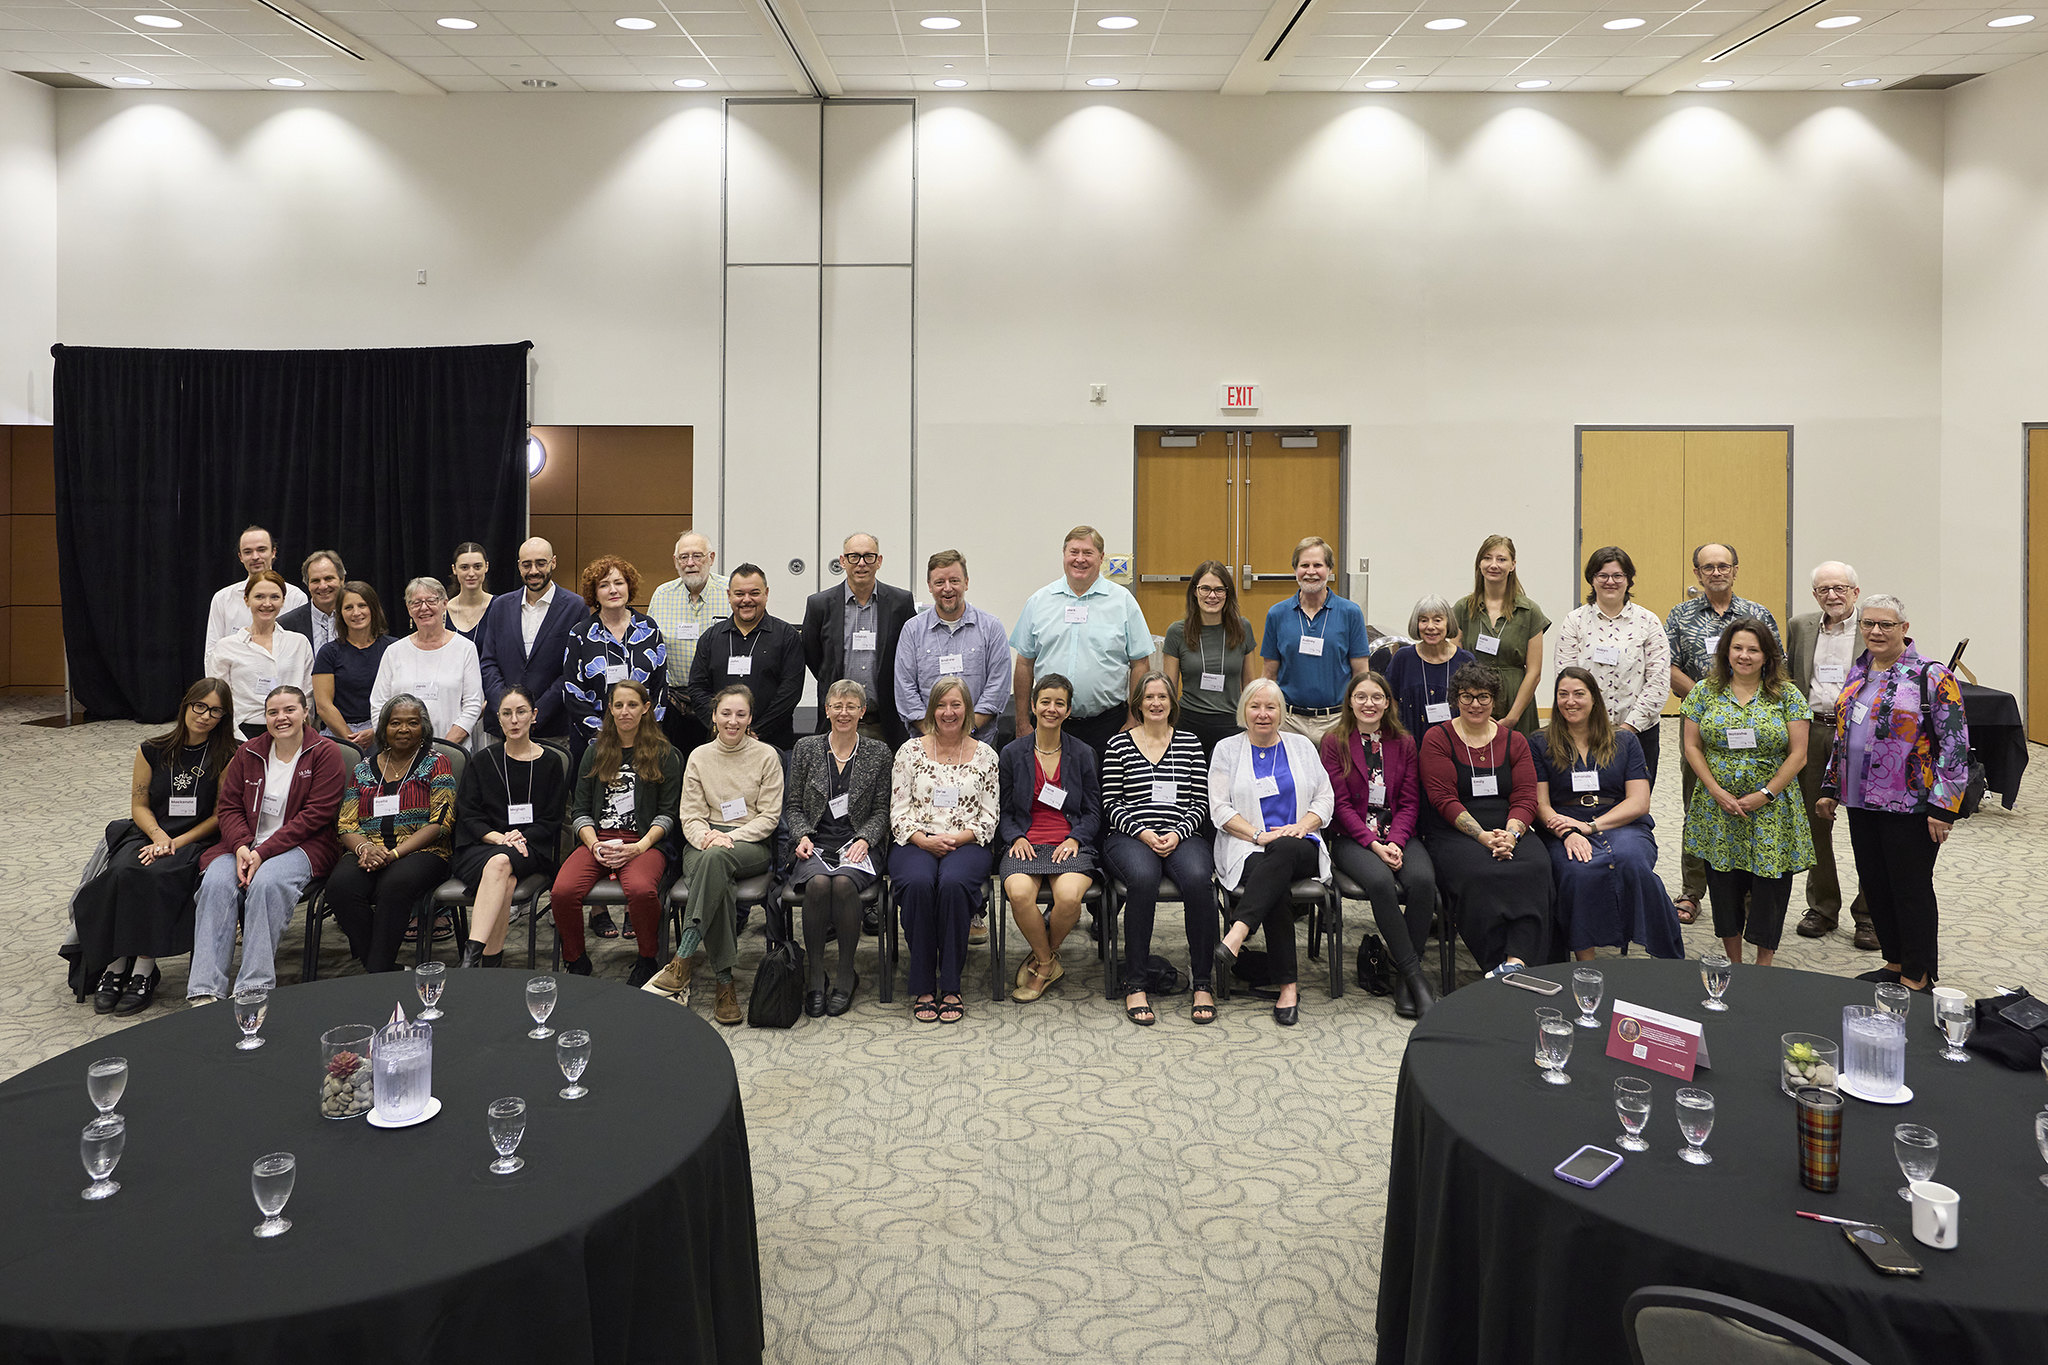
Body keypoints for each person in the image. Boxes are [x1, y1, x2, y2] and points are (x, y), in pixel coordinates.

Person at [1817, 595, 1970, 991]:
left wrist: (1944, 806)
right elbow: (1843, 735)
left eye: (1885, 624)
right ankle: (1894, 961)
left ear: (1904, 628)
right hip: (1861, 800)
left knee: (1910, 888)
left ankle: (1917, 976)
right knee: (1876, 883)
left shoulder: (1930, 676)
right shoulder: (1859, 672)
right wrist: (1831, 787)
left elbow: (1954, 744)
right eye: (1868, 624)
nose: (1876, 632)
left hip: (1912, 804)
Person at [69, 678, 235, 1015]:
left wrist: (175, 842)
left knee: (158, 876)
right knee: (122, 871)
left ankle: (144, 970)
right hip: (149, 832)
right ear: (186, 706)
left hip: (193, 837)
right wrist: (159, 836)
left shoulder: (228, 755)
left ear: (223, 716)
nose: (204, 716)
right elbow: (139, 805)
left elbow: (219, 815)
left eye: (215, 711)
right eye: (199, 706)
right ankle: (116, 965)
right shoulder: (151, 749)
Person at [187, 685, 346, 1003]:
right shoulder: (248, 753)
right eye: (273, 712)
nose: (281, 717)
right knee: (216, 883)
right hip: (244, 846)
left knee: (267, 883)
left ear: (305, 713)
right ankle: (204, 990)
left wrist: (263, 852)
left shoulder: (325, 753)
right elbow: (229, 808)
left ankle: (253, 987)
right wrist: (243, 847)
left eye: (289, 710)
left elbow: (316, 815)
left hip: (304, 846)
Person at [642, 685, 784, 1024]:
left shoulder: (766, 756)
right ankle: (724, 983)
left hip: (750, 844)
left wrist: (729, 837)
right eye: (726, 713)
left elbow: (768, 817)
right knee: (716, 873)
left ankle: (684, 957)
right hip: (702, 841)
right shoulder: (699, 756)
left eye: (740, 714)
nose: (732, 721)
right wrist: (706, 836)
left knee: (717, 861)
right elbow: (689, 814)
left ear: (750, 718)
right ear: (714, 716)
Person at [1679, 621, 1813, 967]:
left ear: (1768, 655)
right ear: (1726, 652)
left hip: (1772, 807)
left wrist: (1765, 794)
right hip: (1717, 807)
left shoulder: (1787, 695)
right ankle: (1734, 962)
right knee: (1724, 885)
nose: (1744, 656)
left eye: (1753, 649)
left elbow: (1799, 755)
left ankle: (1763, 964)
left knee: (1770, 887)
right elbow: (1691, 746)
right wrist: (1715, 790)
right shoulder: (1704, 692)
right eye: (1737, 648)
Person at [1664, 542, 1782, 925]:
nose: (1716, 572)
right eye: (1708, 567)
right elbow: (1668, 666)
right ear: (1697, 573)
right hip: (1702, 723)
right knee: (1697, 803)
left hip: (1754, 723)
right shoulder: (1680, 616)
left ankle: (1744, 890)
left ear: (1735, 569)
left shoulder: (1757, 614)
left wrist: (1740, 698)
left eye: (1723, 566)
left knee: (1750, 804)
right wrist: (1709, 699)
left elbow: (1776, 664)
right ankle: (1692, 891)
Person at [1530, 668, 1680, 962]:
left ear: (1595, 699)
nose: (1570, 701)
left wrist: (1589, 827)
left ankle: (1665, 959)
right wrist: (1568, 833)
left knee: (1633, 863)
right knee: (1577, 870)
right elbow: (1541, 805)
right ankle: (1587, 963)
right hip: (1563, 825)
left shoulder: (1624, 741)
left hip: (1620, 821)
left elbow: (1639, 802)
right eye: (1563, 694)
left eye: (1578, 694)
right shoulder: (1539, 742)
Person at [1209, 677, 1334, 1026]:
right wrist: (1257, 835)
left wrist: (1302, 826)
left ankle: (1237, 932)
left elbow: (1325, 798)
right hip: (1245, 847)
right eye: (1255, 706)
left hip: (1302, 846)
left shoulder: (1302, 746)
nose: (1263, 714)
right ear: (1243, 711)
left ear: (1281, 712)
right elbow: (1219, 808)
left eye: (1271, 707)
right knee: (1274, 881)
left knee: (1281, 855)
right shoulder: (1227, 749)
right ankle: (1288, 987)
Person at [1418, 664, 1554, 976]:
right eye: (1466, 697)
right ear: (1456, 699)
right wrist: (1482, 837)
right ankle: (1495, 960)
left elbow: (1525, 796)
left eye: (1483, 697)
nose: (1475, 704)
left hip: (1509, 825)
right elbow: (1443, 798)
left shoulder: (1514, 740)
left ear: (1494, 700)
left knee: (1535, 866)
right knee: (1482, 872)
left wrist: (1511, 834)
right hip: (1455, 830)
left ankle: (1517, 961)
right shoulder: (1438, 738)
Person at [1320, 671, 1439, 1019]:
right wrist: (1374, 844)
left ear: (1388, 703)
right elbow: (1339, 805)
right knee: (1380, 883)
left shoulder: (1403, 742)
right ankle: (1415, 977)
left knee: (1423, 882)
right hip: (1353, 837)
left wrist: (1397, 841)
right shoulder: (1335, 741)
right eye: (1361, 697)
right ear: (1350, 703)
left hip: (1398, 833)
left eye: (1376, 697)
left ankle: (1402, 975)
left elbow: (1410, 802)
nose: (1369, 704)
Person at [1102, 671, 1217, 1025]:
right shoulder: (1117, 744)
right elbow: (1110, 801)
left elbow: (1201, 802)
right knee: (1143, 879)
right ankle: (1135, 982)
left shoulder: (1190, 743)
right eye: (1149, 697)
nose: (1155, 703)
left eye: (1162, 697)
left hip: (1182, 834)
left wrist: (1180, 833)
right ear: (1137, 704)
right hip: (1130, 837)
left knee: (1200, 880)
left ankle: (1202, 982)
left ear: (1172, 704)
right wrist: (1142, 832)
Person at [552, 679, 682, 984]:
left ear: (646, 708)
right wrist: (595, 844)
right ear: (610, 709)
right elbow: (581, 809)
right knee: (562, 891)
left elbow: (668, 813)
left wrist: (638, 848)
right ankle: (576, 959)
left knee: (641, 891)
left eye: (633, 705)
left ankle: (647, 958)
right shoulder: (595, 752)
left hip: (644, 843)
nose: (625, 712)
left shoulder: (665, 754)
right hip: (597, 841)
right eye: (619, 705)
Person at [890, 677, 1000, 1024]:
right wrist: (923, 839)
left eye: (956, 705)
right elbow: (898, 811)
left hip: (967, 842)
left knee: (952, 885)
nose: (948, 712)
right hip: (915, 840)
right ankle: (923, 983)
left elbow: (990, 815)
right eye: (941, 705)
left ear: (967, 709)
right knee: (919, 884)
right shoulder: (909, 752)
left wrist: (960, 838)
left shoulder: (986, 755)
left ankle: (951, 984)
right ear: (931, 710)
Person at [326, 694, 457, 974]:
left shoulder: (437, 763)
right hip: (368, 851)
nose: (404, 729)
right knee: (340, 887)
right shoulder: (362, 769)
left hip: (424, 852)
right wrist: (365, 850)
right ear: (384, 727)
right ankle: (385, 970)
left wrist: (394, 854)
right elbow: (346, 824)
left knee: (394, 884)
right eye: (396, 723)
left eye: (413, 723)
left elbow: (440, 823)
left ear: (424, 728)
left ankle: (376, 972)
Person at [786, 680, 892, 1017]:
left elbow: (882, 811)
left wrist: (865, 839)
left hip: (859, 842)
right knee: (818, 884)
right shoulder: (806, 749)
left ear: (862, 712)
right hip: (815, 842)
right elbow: (793, 808)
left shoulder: (879, 753)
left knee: (843, 883)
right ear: (826, 709)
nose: (843, 712)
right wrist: (802, 835)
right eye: (836, 706)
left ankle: (846, 974)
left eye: (851, 706)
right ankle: (816, 975)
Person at [999, 674, 1104, 1005]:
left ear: (1069, 710)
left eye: (1059, 703)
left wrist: (1076, 839)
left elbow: (1093, 811)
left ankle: (1041, 960)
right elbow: (1001, 810)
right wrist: (1014, 836)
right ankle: (1046, 963)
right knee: (1018, 893)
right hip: (1025, 843)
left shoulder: (1084, 753)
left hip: (1069, 843)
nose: (1051, 709)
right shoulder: (1012, 753)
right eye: (1045, 701)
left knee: (1070, 898)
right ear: (1032, 705)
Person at [1789, 561, 1877, 950]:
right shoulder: (1800, 626)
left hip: (1862, 735)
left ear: (1855, 593)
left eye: (1840, 588)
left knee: (1867, 825)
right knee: (1814, 824)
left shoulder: (1873, 627)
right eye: (1824, 589)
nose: (1832, 596)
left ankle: (1870, 914)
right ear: (1815, 595)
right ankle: (1823, 907)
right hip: (1814, 729)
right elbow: (1790, 677)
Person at [1009, 525, 1153, 760]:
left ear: (1101, 558)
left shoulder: (1122, 602)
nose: (1080, 559)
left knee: (1100, 793)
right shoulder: (1039, 601)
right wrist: (1023, 721)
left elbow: (1140, 663)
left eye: (1088, 553)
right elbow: (1025, 663)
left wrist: (1134, 719)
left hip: (1107, 726)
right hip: (1049, 724)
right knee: (1049, 793)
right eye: (1073, 552)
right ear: (1064, 555)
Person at [453, 685, 568, 967]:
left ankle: (470, 955)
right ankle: (490, 962)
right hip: (483, 844)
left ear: (534, 716)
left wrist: (520, 838)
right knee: (505, 875)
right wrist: (499, 838)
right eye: (507, 713)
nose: (514, 720)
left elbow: (552, 818)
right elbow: (468, 814)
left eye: (521, 712)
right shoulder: (482, 760)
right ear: (499, 718)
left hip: (531, 847)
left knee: (501, 865)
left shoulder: (551, 762)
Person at [1552, 546, 1671, 787]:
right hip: (1583, 731)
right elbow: (1565, 678)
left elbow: (1658, 682)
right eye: (1602, 575)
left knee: (1635, 802)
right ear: (1592, 580)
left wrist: (1628, 729)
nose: (1610, 582)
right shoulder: (1575, 621)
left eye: (1618, 576)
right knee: (1586, 796)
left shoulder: (1648, 621)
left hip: (1639, 731)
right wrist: (1586, 723)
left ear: (1628, 580)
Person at [802, 532, 917, 748]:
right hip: (838, 722)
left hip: (885, 723)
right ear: (843, 561)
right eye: (854, 557)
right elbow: (813, 655)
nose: (861, 563)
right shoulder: (820, 605)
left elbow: (910, 654)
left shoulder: (900, 603)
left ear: (879, 561)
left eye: (868, 556)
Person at [894, 549, 1012, 747]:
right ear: (930, 586)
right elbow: (905, 689)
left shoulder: (991, 628)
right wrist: (934, 735)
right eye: (939, 582)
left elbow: (997, 688)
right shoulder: (912, 630)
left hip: (979, 745)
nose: (947, 588)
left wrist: (966, 731)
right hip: (926, 745)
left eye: (954, 581)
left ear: (966, 582)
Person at [1260, 536, 1371, 743]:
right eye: (1304, 565)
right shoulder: (1277, 614)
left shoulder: (1350, 613)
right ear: (1295, 570)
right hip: (1289, 722)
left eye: (1318, 565)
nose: (1311, 572)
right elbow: (1268, 674)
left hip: (1337, 721)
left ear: (1329, 570)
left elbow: (1361, 673)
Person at [562, 555, 668, 769]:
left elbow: (660, 687)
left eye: (619, 583)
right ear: (595, 593)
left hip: (644, 744)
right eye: (604, 585)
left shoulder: (649, 629)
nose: (613, 590)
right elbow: (572, 693)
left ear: (629, 587)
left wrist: (644, 733)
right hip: (596, 745)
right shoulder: (580, 635)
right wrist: (604, 736)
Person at [474, 537, 583, 744]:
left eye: (541, 563)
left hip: (552, 728)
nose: (533, 570)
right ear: (519, 566)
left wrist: (534, 715)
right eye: (527, 564)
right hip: (502, 730)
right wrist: (507, 711)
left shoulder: (575, 607)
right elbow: (488, 662)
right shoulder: (500, 606)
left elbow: (572, 671)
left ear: (554, 562)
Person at [688, 563, 806, 751]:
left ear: (766, 593)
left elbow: (790, 692)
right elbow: (697, 688)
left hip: (771, 743)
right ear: (729, 595)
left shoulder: (787, 636)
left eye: (754, 593)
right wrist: (723, 727)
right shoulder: (711, 638)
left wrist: (754, 731)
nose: (747, 600)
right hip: (719, 744)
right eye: (739, 594)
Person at [1449, 535, 1549, 738]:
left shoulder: (1529, 611)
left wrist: (1513, 717)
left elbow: (1534, 672)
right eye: (1487, 558)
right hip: (1472, 703)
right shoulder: (1462, 609)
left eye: (1501, 559)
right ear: (1479, 564)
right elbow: (1453, 664)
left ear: (1513, 565)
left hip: (1517, 703)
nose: (1494, 565)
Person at [370, 577, 485, 746]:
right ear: (409, 609)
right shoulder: (394, 652)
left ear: (444, 604)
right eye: (416, 603)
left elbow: (473, 705)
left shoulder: (465, 648)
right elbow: (378, 705)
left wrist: (445, 747)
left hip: (451, 750)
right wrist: (393, 743)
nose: (424, 608)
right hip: (401, 753)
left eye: (431, 600)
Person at [1163, 561, 1259, 760]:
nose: (1212, 596)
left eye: (1219, 589)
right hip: (1188, 724)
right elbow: (1168, 688)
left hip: (1232, 724)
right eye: (1205, 588)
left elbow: (1250, 684)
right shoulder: (1177, 632)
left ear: (1228, 593)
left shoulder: (1243, 628)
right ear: (1194, 592)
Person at [647, 531, 730, 756]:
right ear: (675, 561)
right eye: (684, 557)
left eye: (697, 556)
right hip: (674, 704)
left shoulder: (730, 591)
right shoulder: (662, 595)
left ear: (711, 558)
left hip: (718, 702)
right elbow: (650, 648)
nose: (690, 563)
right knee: (674, 767)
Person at [206, 570, 315, 738]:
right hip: (243, 733)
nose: (267, 603)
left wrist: (300, 732)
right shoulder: (226, 647)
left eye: (274, 597)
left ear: (283, 601)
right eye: (259, 597)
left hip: (292, 731)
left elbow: (307, 695)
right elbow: (220, 700)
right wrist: (238, 740)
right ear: (246, 600)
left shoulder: (299, 643)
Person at [312, 582, 397, 746]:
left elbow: (400, 697)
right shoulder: (328, 652)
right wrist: (351, 740)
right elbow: (323, 706)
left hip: (383, 729)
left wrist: (377, 731)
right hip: (339, 733)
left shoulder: (393, 648)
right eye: (348, 607)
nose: (356, 613)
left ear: (373, 608)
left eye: (362, 605)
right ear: (340, 613)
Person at [1384, 595, 1473, 744]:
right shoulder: (1403, 658)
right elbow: (1389, 698)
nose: (1430, 626)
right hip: (1409, 742)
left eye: (1437, 620)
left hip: (1454, 745)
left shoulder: (1464, 660)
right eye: (1424, 620)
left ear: (1448, 623)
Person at [203, 525, 306, 654]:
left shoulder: (296, 597)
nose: (255, 556)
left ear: (273, 552)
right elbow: (212, 653)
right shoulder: (222, 599)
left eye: (261, 550)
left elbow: (300, 652)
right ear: (240, 557)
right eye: (248, 552)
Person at [278, 550, 346, 659]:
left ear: (342, 580)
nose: (323, 586)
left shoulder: (357, 618)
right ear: (307, 585)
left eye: (328, 578)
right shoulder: (286, 626)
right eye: (315, 581)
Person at [445, 542, 493, 638]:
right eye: (464, 567)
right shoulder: (443, 612)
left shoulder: (500, 607)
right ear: (454, 569)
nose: (471, 573)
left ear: (486, 567)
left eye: (477, 567)